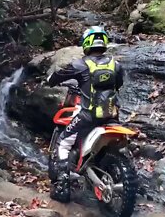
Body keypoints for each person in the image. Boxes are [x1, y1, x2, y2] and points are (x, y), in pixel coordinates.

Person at [46, 26, 125, 203]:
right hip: (112, 115)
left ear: (87, 43)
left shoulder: (80, 64)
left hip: (88, 116)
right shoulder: (116, 65)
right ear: (104, 42)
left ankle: (62, 188)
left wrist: (50, 80)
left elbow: (57, 76)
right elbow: (118, 84)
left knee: (64, 143)